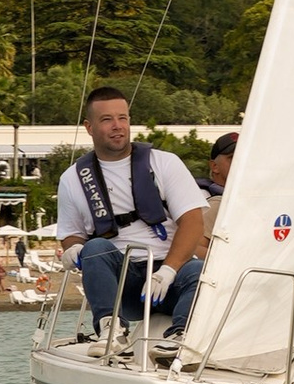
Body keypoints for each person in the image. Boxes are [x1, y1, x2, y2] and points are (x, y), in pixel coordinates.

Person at [57, 87, 207, 340]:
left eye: (122, 118)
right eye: (107, 119)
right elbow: (71, 234)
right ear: (89, 127)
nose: (117, 126)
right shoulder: (72, 179)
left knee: (200, 272)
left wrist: (168, 271)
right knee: (94, 247)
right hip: (122, 282)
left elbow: (193, 223)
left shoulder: (164, 163)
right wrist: (72, 249)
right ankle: (111, 329)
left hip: (170, 273)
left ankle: (180, 336)